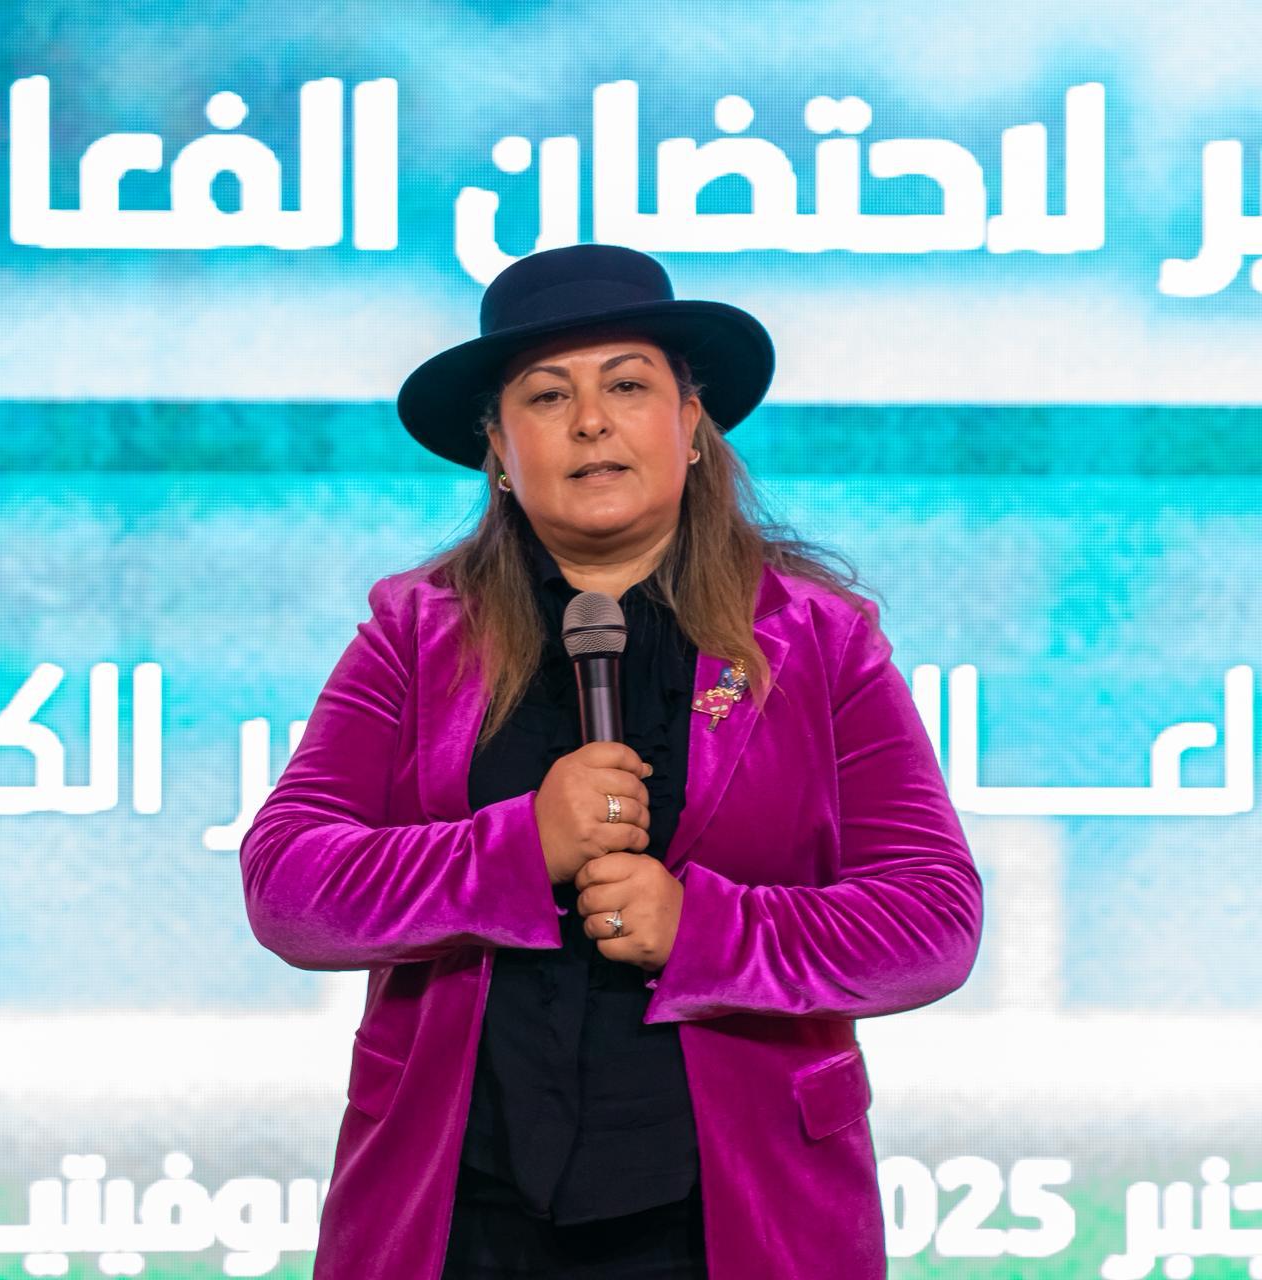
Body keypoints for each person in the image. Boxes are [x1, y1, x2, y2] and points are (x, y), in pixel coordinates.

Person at [238, 242, 984, 1280]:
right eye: (547, 396)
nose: (591, 420)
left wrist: (704, 928)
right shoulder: (413, 631)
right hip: (461, 1210)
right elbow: (288, 885)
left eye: (627, 385)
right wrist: (519, 846)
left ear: (691, 424)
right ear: (500, 450)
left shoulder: (819, 639)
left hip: (736, 1211)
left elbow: (931, 919)